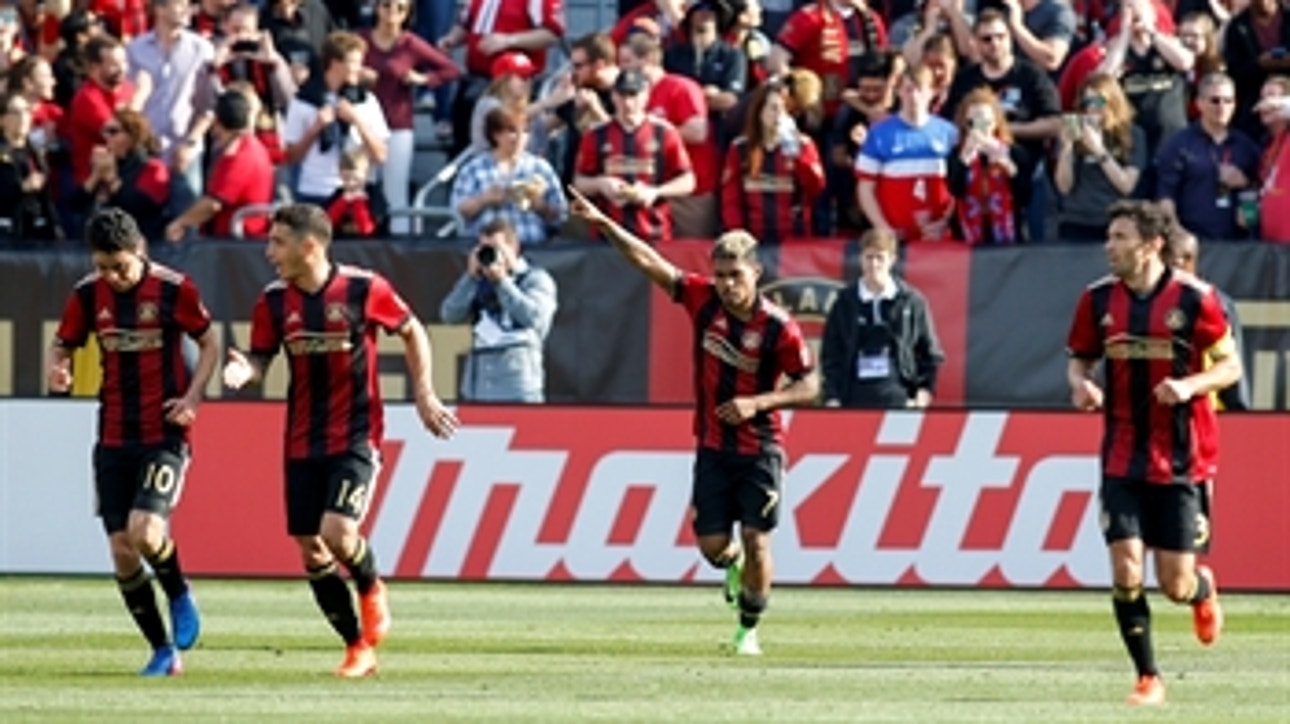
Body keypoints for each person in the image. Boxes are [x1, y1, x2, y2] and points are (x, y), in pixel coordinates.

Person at [568, 186, 819, 657]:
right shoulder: (701, 299)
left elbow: (810, 385)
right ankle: (731, 564)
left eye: (735, 276)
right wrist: (603, 222)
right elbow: (647, 261)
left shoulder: (778, 327)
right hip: (712, 445)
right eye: (721, 275)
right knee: (713, 546)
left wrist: (758, 403)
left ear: (756, 274)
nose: (726, 284)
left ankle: (748, 630)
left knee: (758, 539)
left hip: (762, 447)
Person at [222, 203, 458, 678]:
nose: (269, 251)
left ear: (310, 246)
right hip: (301, 440)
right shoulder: (272, 302)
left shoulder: (363, 289)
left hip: (356, 433)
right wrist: (243, 369)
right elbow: (262, 359)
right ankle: (357, 648)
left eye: (277, 242)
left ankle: (371, 587)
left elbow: (413, 332)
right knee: (311, 547)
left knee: (338, 533)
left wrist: (425, 393)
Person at [1065, 199, 1238, 707]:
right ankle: (1148, 677)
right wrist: (1081, 386)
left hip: (1183, 460)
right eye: (1109, 237)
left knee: (1175, 584)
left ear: (1151, 245)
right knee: (1125, 571)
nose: (1109, 247)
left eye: (1120, 238)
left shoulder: (1197, 300)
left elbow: (1230, 369)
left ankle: (1201, 592)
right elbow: (1079, 360)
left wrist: (1189, 387)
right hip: (1121, 454)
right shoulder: (1097, 301)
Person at [48, 207, 217, 676]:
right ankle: (163, 651)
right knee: (122, 550)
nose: (113, 276)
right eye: (103, 267)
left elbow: (209, 342)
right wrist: (56, 365)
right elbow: (63, 343)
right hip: (114, 434)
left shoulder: (173, 289)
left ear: (139, 250)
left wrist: (193, 396)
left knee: (146, 531)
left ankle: (180, 592)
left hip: (164, 432)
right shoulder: (87, 295)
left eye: (119, 266)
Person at [820, 229, 944, 408]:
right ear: (861, 259)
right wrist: (832, 396)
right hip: (853, 398)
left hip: (900, 398)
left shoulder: (911, 301)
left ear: (892, 260)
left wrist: (924, 390)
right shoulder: (845, 302)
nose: (874, 264)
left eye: (880, 258)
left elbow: (931, 354)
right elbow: (831, 354)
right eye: (869, 257)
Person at [438, 218, 558, 402]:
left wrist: (503, 282)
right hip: (478, 382)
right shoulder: (476, 281)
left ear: (514, 247)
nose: (490, 255)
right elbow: (449, 315)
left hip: (518, 383)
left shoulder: (535, 279)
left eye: (496, 248)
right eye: (484, 248)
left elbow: (536, 319)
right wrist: (470, 278)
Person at [1165, 224, 1251, 412]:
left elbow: (1232, 368)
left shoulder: (1216, 303)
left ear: (1187, 260)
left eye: (1166, 260)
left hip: (1205, 414)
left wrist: (1238, 413)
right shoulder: (1147, 301)